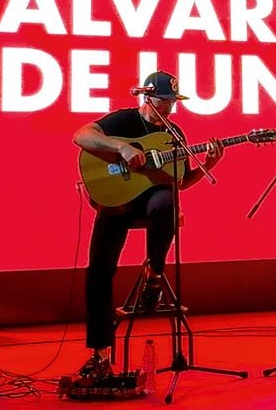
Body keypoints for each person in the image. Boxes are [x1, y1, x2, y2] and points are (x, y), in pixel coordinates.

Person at [72, 71, 225, 378]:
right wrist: (122, 147)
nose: (168, 109)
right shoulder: (124, 120)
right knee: (99, 271)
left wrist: (207, 165)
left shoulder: (173, 134)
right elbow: (81, 136)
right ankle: (100, 354)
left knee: (168, 201)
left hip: (154, 199)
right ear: (147, 96)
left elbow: (179, 182)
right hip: (116, 200)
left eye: (172, 103)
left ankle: (153, 271)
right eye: (163, 101)